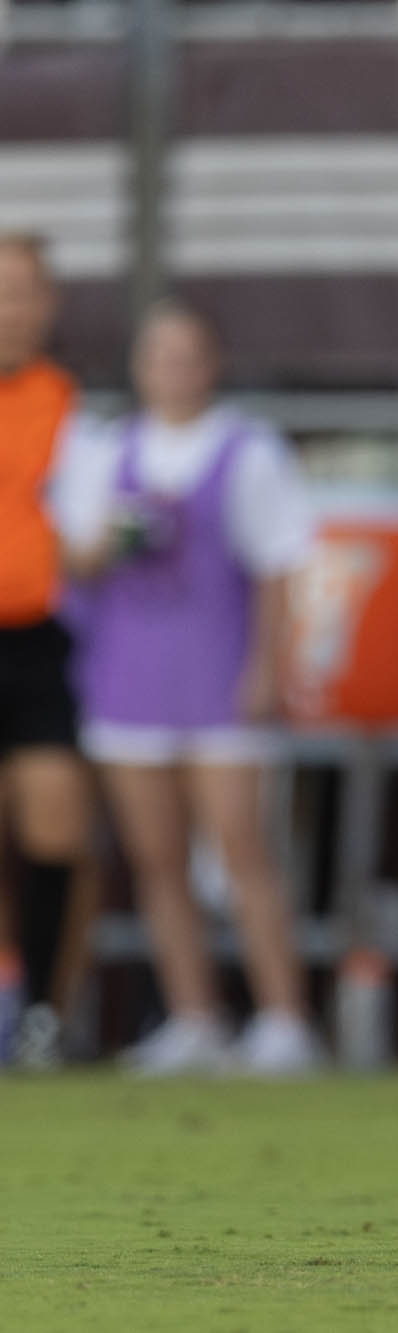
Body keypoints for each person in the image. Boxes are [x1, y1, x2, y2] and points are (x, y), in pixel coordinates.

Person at [55, 300, 319, 1076]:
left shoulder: (250, 449)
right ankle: (194, 1014)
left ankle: (283, 1018)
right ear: (139, 368)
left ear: (212, 364)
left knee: (241, 848)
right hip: (130, 673)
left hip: (218, 669)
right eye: (158, 356)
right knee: (156, 855)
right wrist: (109, 540)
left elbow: (279, 566)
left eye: (187, 355)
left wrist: (267, 666)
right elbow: (76, 557)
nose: (172, 371)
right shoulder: (105, 450)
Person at [0, 233, 95, 1070]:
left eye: (21, 291)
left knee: (55, 822)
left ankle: (42, 1014)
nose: (8, 309)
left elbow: (90, 531)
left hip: (36, 639)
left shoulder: (70, 405)